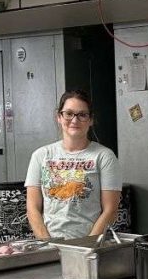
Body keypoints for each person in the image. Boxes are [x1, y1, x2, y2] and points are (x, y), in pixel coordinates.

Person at [25, 90, 121, 240]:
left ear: (91, 120)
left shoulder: (104, 156)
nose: (75, 120)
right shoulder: (41, 155)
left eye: (82, 115)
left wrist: (87, 246)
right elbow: (32, 208)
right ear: (59, 117)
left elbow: (110, 210)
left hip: (88, 245)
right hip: (49, 244)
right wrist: (47, 244)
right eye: (69, 113)